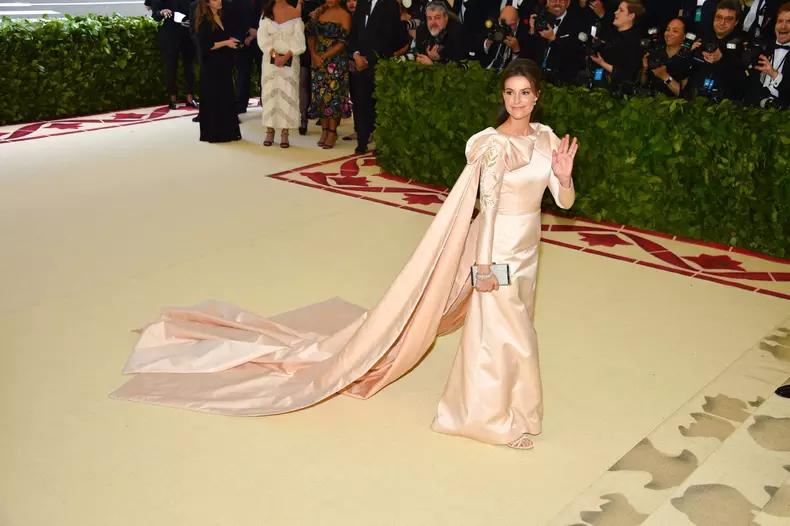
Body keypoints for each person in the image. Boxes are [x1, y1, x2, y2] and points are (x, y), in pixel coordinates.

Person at [111, 59, 579, 451]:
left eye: (524, 93)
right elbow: (489, 206)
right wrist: (481, 267)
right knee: (503, 333)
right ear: (504, 95)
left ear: (538, 96)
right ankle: (484, 419)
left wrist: (565, 174)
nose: (516, 101)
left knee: (516, 329)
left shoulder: (544, 136)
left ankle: (513, 410)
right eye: (510, 93)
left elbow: (563, 203)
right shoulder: (494, 145)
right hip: (494, 250)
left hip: (528, 252)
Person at [258, 0, 306, 148]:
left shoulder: (294, 12)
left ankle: (285, 133)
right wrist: (274, 55)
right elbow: (262, 38)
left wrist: (285, 57)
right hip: (270, 61)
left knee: (288, 93)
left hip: (290, 61)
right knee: (270, 93)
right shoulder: (266, 12)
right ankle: (269, 130)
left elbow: (299, 40)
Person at [195, 0, 243, 142]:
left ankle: (228, 131)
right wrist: (226, 43)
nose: (220, 1)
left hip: (223, 64)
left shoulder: (221, 17)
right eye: (215, 0)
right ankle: (215, 133)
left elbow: (219, 38)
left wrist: (230, 41)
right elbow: (207, 45)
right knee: (214, 98)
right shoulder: (204, 21)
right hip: (211, 66)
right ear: (208, 3)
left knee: (226, 96)